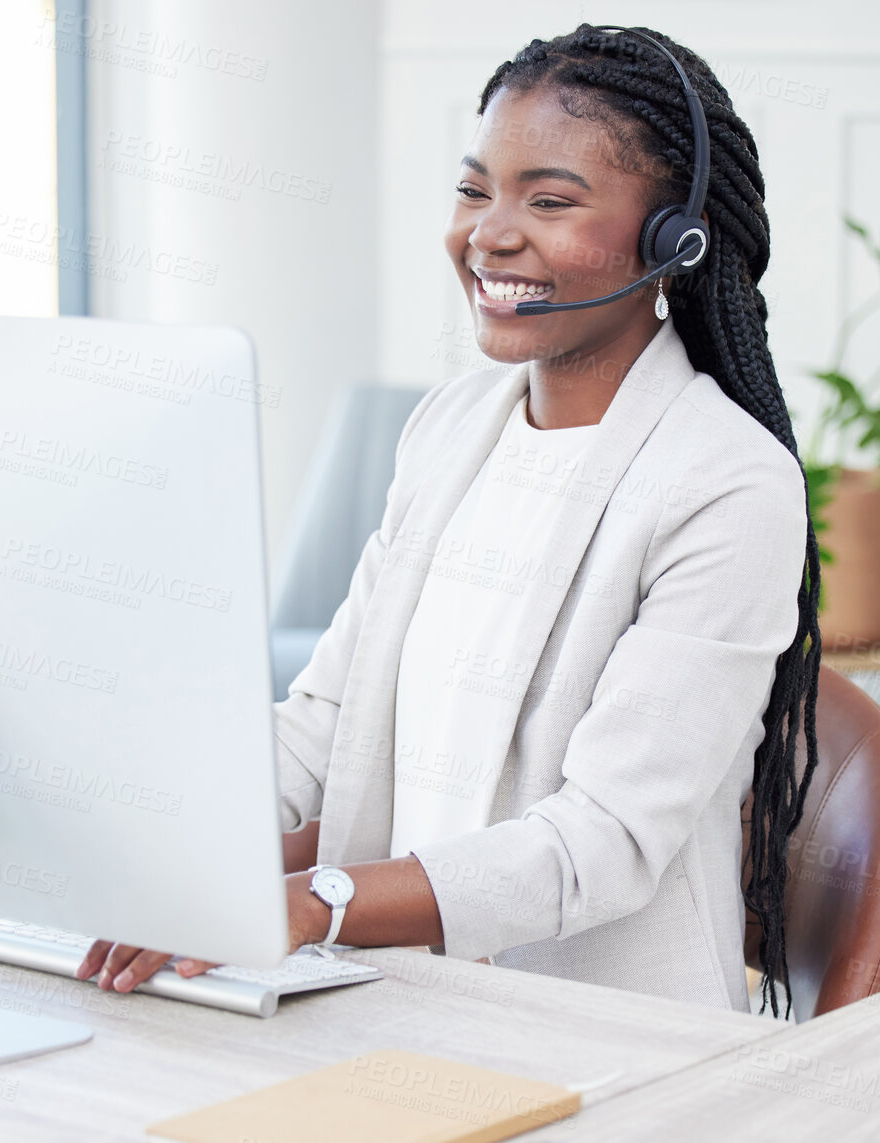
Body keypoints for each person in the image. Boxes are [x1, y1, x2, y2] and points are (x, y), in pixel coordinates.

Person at [78, 23, 825, 1018]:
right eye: (474, 190)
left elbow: (599, 842)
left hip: (597, 1038)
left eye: (548, 201)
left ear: (671, 242)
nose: (487, 234)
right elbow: (323, 729)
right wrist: (149, 825)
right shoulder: (449, 428)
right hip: (384, 1003)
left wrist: (312, 904)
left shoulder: (726, 485)